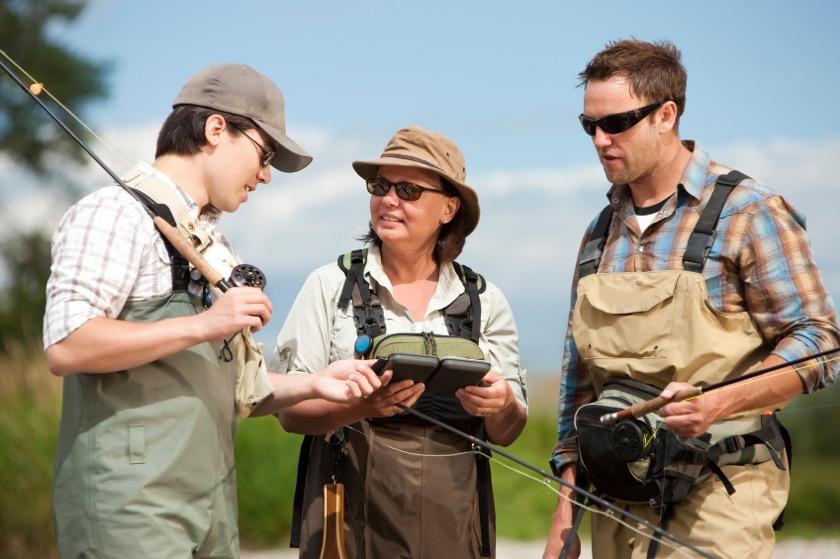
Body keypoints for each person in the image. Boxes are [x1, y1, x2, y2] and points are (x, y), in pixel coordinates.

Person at [43, 63, 383, 559]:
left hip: (211, 509)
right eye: (264, 155)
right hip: (130, 511)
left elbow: (240, 392)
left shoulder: (209, 239)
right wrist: (205, 324)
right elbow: (67, 344)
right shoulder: (112, 214)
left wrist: (316, 382)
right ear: (215, 129)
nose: (265, 175)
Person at [544, 39, 840, 559]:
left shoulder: (749, 213)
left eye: (616, 123)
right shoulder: (598, 233)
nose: (599, 139)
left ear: (666, 114)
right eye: (588, 125)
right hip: (616, 498)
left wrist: (718, 401)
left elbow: (820, 344)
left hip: (720, 489)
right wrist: (566, 514)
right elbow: (578, 379)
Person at [271, 126, 528, 559]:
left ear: (449, 208)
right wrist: (362, 408)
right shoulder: (328, 285)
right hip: (346, 521)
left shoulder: (487, 300)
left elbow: (509, 431)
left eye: (408, 189)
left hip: (454, 523)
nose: (389, 199)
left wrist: (500, 404)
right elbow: (290, 413)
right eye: (380, 186)